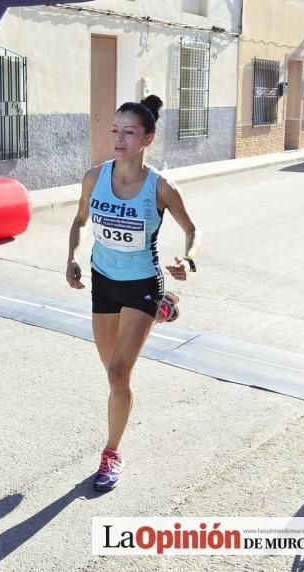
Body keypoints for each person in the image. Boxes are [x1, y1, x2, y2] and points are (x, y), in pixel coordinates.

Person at [66, 95, 201, 492]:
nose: (119, 139)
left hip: (143, 283)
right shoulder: (94, 178)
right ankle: (165, 309)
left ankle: (111, 453)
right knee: (114, 376)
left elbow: (193, 231)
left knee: (118, 372)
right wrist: (72, 257)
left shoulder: (161, 188)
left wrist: (188, 263)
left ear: (148, 139)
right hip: (104, 283)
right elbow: (78, 222)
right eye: (115, 130)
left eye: (129, 132)